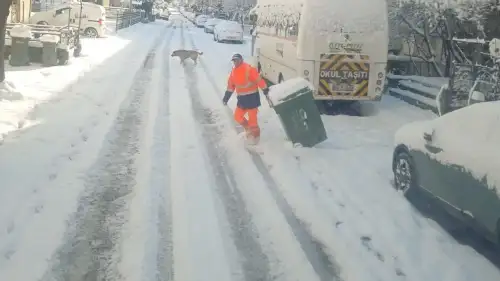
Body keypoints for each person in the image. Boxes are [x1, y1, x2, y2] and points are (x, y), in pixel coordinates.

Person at [223, 53, 269, 143]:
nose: (235, 62)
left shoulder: (249, 69)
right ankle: (248, 129)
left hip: (252, 99)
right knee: (237, 116)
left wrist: (265, 89)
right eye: (234, 61)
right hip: (242, 100)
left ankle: (256, 139)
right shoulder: (233, 72)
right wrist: (226, 98)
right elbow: (230, 87)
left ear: (241, 60)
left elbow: (258, 80)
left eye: (237, 60)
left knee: (253, 122)